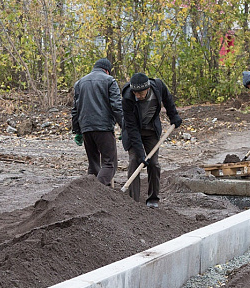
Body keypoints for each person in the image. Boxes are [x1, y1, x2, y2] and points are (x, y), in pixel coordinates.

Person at [121, 72, 182, 208]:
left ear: (147, 89)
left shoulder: (158, 86)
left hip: (151, 130)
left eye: (141, 93)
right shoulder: (127, 98)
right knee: (134, 161)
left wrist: (174, 116)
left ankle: (153, 199)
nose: (138, 96)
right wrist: (140, 153)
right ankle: (133, 201)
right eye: (135, 93)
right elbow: (131, 128)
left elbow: (168, 99)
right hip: (133, 131)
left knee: (153, 163)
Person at [71, 58, 123, 186]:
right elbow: (116, 106)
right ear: (107, 71)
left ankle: (89, 196)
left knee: (93, 164)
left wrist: (77, 130)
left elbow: (75, 110)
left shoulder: (80, 83)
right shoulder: (109, 80)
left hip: (86, 129)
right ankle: (96, 191)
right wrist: (124, 126)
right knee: (109, 163)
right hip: (103, 128)